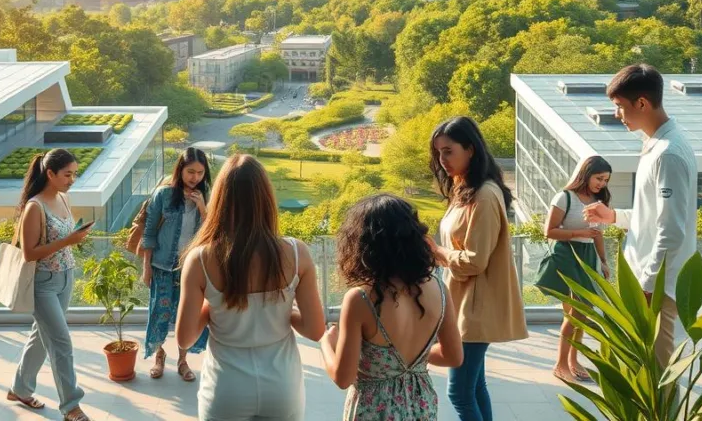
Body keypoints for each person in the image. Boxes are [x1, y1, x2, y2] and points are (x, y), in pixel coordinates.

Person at [176, 154, 326, 421]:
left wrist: (214, 304)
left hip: (226, 387)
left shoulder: (200, 259)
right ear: (266, 199)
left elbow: (185, 338)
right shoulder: (296, 252)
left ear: (220, 200)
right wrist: (286, 310)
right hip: (282, 386)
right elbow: (315, 330)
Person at [583, 64, 697, 368]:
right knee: (641, 372)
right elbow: (655, 216)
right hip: (646, 280)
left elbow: (671, 230)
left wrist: (647, 285)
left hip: (655, 286)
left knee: (654, 380)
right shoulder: (657, 146)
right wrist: (614, 216)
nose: (617, 115)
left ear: (642, 103)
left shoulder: (668, 153)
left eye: (620, 106)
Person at [321, 194, 463, 421]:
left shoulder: (360, 298)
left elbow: (342, 378)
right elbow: (453, 357)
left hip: (373, 409)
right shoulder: (439, 288)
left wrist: (326, 344)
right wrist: (413, 361)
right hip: (421, 405)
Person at [426, 116, 527, 421]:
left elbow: (474, 261)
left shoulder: (483, 195)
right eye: (438, 153)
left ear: (470, 149)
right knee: (474, 385)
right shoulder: (465, 189)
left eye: (448, 151)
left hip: (475, 308)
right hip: (465, 304)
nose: (442, 160)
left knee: (459, 392)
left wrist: (437, 251)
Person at [7, 148, 93, 421]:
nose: (72, 179)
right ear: (50, 173)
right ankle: (71, 406)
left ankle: (19, 388)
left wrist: (75, 237)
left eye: (74, 173)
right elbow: (30, 253)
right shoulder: (35, 206)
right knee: (61, 343)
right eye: (68, 174)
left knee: (41, 338)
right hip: (42, 284)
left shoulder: (64, 199)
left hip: (66, 277)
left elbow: (63, 237)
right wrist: (69, 241)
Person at [534, 155, 612, 383]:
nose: (602, 184)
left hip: (587, 258)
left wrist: (604, 261)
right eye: (599, 178)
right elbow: (549, 231)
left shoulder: (599, 201)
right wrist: (579, 233)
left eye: (606, 180)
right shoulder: (565, 197)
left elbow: (598, 234)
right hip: (567, 255)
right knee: (577, 311)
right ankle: (560, 364)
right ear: (586, 174)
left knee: (581, 314)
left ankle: (573, 360)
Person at [140, 147, 212, 381]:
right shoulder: (163, 194)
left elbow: (212, 232)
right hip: (162, 265)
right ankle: (159, 357)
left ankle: (183, 360)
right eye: (190, 172)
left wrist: (202, 206)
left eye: (200, 173)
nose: (195, 178)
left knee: (188, 315)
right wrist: (146, 266)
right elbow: (149, 233)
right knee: (159, 312)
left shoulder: (207, 194)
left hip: (191, 268)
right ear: (180, 170)